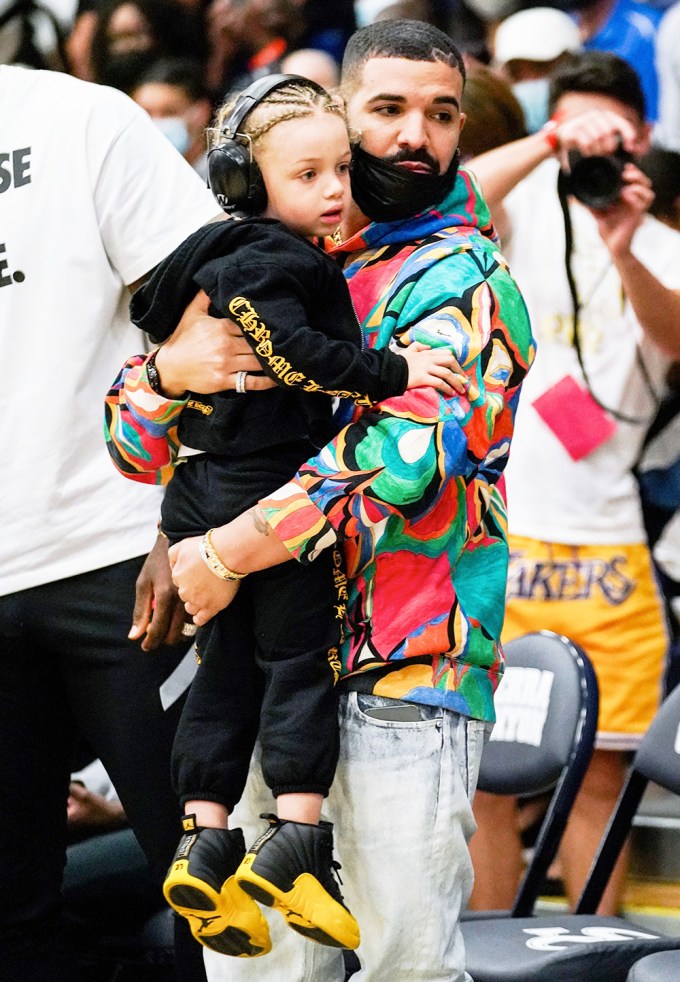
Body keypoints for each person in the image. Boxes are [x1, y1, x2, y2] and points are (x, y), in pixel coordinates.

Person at [106, 19, 535, 981]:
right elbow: (128, 448)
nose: (414, 135)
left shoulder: (468, 281)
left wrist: (220, 555)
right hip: (260, 663)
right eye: (387, 109)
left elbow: (398, 460)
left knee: (400, 963)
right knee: (260, 972)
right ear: (341, 119)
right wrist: (170, 376)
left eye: (441, 113)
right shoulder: (264, 249)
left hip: (405, 668)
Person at [0, 63, 224, 982]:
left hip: (119, 554)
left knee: (213, 892)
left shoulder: (78, 116)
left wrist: (187, 516)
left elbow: (223, 302)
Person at [467, 50, 680, 915]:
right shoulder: (511, 212)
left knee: (599, 784)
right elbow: (451, 198)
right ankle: (477, 960)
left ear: (646, 136)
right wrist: (552, 138)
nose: (593, 148)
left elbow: (675, 345)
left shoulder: (661, 238)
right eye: (574, 127)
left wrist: (625, 251)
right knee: (483, 780)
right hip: (495, 536)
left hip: (607, 548)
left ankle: (584, 958)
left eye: (611, 133)